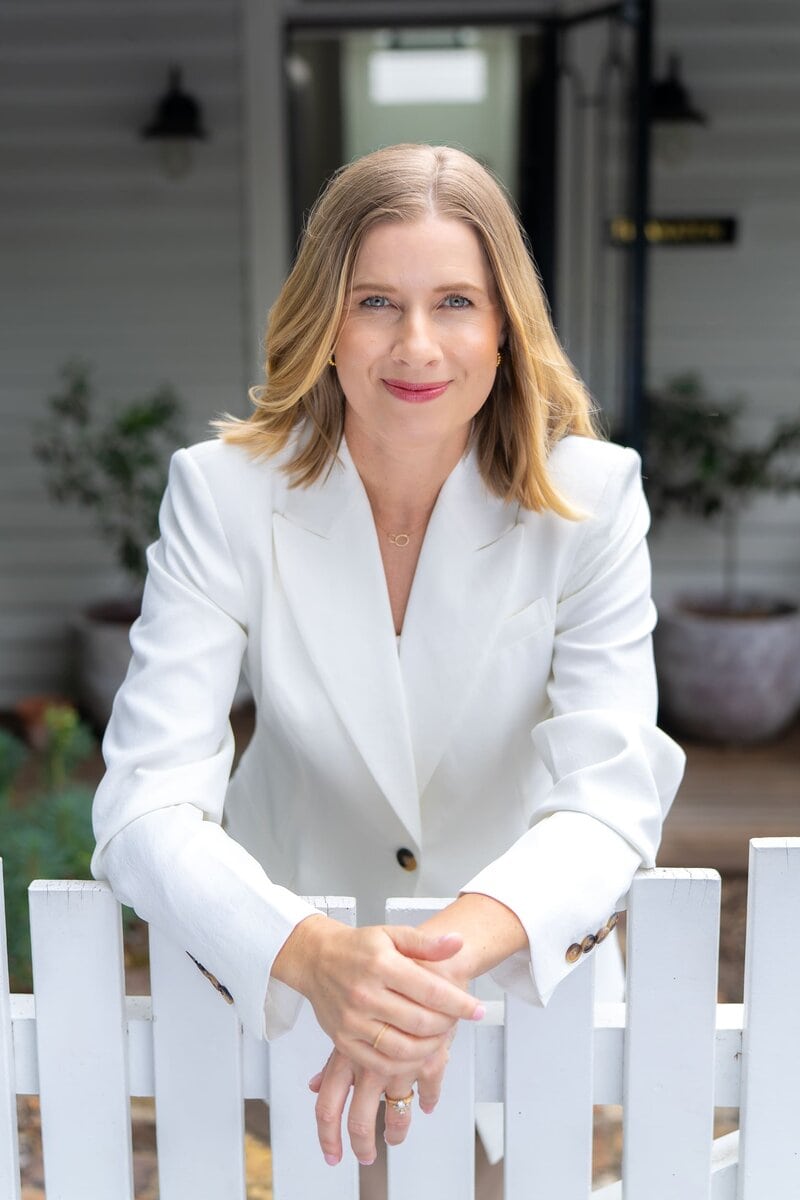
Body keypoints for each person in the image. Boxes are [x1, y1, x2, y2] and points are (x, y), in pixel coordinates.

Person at [91, 142, 685, 1197]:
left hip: (510, 992)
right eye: (375, 301)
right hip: (286, 981)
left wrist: (412, 982)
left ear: (504, 327)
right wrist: (317, 956)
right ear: (325, 320)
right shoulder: (221, 496)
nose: (415, 344)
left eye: (455, 300)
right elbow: (143, 805)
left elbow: (605, 800)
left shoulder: (592, 500)